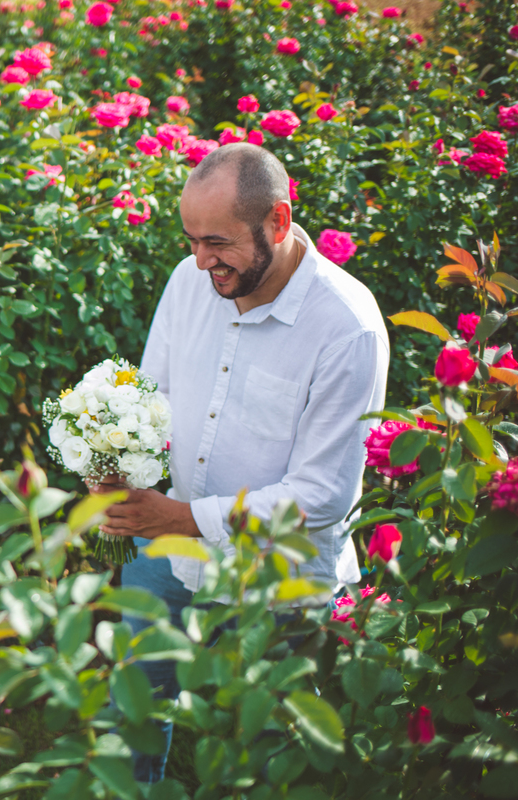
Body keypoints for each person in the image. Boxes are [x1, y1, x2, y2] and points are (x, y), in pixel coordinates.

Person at [91, 143, 389, 782]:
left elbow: (323, 495)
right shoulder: (189, 281)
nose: (201, 261)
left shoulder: (346, 328)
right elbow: (155, 392)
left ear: (278, 222)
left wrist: (183, 518)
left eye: (217, 243)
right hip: (166, 555)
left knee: (261, 762)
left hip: (278, 586)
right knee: (131, 717)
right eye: (192, 240)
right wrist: (117, 458)